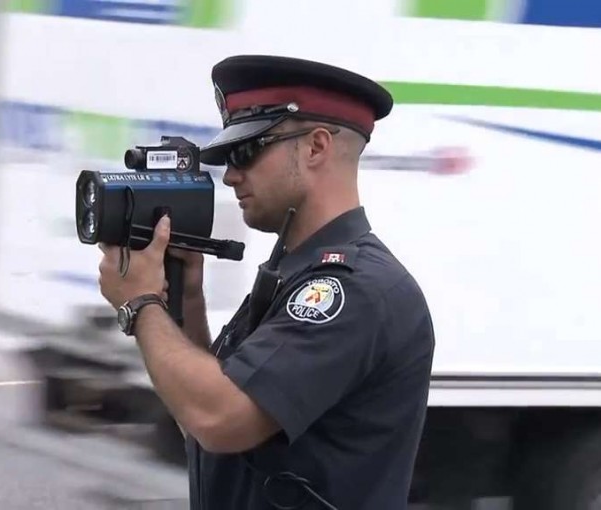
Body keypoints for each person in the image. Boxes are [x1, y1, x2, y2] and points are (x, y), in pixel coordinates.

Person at [98, 54, 436, 510]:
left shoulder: (352, 289)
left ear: (316, 148)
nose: (232, 174)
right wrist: (185, 296)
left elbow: (220, 417)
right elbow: (198, 417)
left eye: (248, 151)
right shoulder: (293, 272)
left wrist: (139, 304)